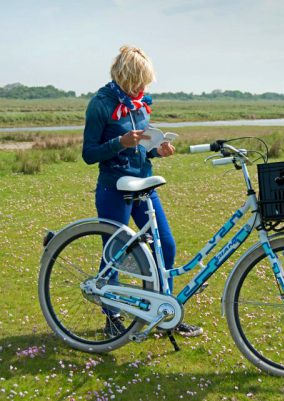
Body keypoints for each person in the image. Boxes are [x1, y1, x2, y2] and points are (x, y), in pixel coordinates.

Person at [81, 45, 203, 338]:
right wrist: (119, 143)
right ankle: (112, 316)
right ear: (125, 75)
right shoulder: (100, 103)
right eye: (139, 80)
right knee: (116, 253)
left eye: (145, 81)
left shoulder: (140, 103)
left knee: (167, 246)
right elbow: (88, 153)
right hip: (115, 187)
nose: (142, 87)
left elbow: (141, 150)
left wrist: (157, 152)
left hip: (144, 185)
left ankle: (165, 313)